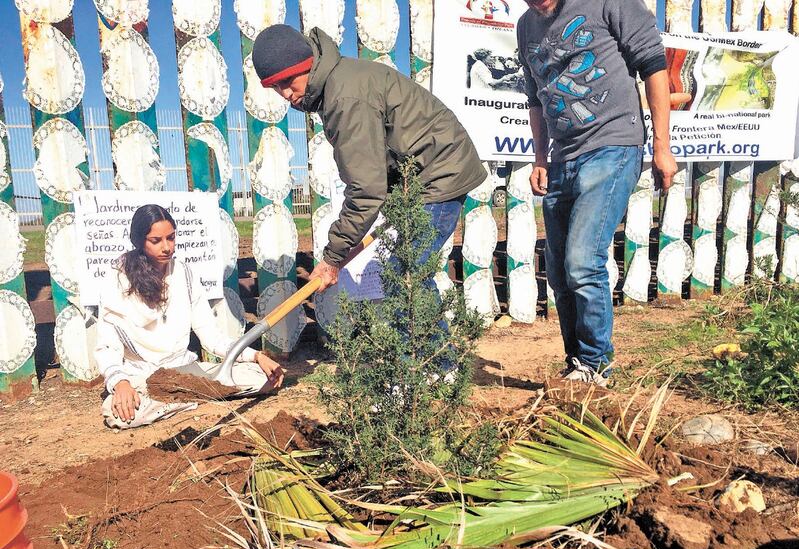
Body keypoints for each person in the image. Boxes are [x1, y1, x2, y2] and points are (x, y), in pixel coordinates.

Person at [251, 24, 487, 294]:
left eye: (287, 81)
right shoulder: (339, 83)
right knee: (407, 280)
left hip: (440, 172)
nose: (285, 94)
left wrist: (332, 258)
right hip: (429, 169)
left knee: (407, 283)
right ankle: (427, 337)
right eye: (275, 87)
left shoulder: (345, 97)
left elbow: (366, 189)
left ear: (306, 65)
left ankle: (431, 338)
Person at [518, 0, 677, 385]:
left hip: (612, 144)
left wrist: (662, 145)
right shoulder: (526, 27)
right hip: (563, 155)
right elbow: (536, 98)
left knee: (582, 261)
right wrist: (540, 156)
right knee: (558, 272)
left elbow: (654, 65)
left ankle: (596, 364)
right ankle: (577, 364)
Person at [95, 204, 284, 429]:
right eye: (156, 241)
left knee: (263, 378)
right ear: (139, 241)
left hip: (184, 371)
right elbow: (107, 346)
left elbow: (212, 338)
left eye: (171, 238)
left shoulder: (183, 273)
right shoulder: (118, 279)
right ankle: (190, 398)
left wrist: (256, 357)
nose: (166, 247)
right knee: (119, 414)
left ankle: (181, 399)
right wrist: (121, 383)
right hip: (142, 377)